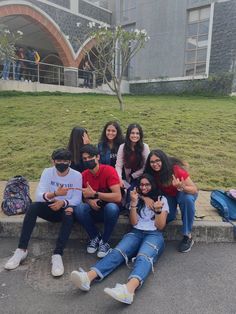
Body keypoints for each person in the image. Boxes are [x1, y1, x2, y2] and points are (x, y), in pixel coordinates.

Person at [70, 173, 169, 305]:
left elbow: (160, 226)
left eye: (147, 184)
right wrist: (134, 204)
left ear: (153, 185)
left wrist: (157, 211)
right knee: (117, 252)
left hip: (154, 234)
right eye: (142, 185)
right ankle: (88, 277)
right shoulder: (136, 198)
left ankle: (128, 290)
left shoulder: (162, 199)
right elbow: (134, 223)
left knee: (143, 257)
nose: (144, 187)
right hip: (137, 232)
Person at [4, 148, 82, 277]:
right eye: (59, 160)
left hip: (65, 208)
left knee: (69, 214)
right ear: (53, 161)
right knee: (33, 206)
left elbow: (77, 198)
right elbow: (39, 196)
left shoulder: (76, 175)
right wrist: (56, 194)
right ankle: (21, 250)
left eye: (65, 161)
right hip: (50, 206)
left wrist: (63, 203)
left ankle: (57, 254)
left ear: (70, 162)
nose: (62, 163)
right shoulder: (47, 172)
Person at [145, 149, 198, 253]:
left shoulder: (176, 170)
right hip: (169, 196)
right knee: (169, 218)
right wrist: (145, 198)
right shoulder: (151, 172)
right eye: (152, 162)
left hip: (185, 193)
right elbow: (142, 187)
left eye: (157, 161)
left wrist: (182, 187)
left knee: (186, 200)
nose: (155, 164)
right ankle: (176, 210)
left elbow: (194, 189)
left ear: (163, 160)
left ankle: (187, 235)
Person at [74, 144, 122, 258]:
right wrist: (89, 201)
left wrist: (95, 194)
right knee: (79, 208)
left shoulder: (109, 171)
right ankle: (94, 237)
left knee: (112, 208)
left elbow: (118, 197)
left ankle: (104, 241)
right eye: (85, 159)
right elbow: (82, 195)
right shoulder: (84, 175)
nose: (87, 160)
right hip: (94, 208)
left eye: (90, 157)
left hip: (109, 211)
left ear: (98, 157)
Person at [115, 123, 150, 204]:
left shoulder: (145, 147)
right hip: (126, 177)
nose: (135, 135)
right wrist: (119, 179)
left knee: (130, 196)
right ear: (128, 134)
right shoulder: (122, 147)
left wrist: (133, 176)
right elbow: (118, 166)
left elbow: (146, 166)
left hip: (139, 177)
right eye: (132, 133)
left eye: (137, 133)